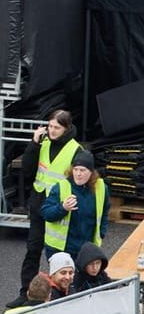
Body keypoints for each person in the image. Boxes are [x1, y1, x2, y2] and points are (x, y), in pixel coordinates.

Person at [15, 109, 77, 292]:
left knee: (58, 256)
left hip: (58, 209)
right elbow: (27, 169)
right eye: (50, 126)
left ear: (66, 128)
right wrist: (34, 143)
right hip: (38, 205)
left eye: (56, 127)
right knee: (32, 250)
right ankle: (26, 292)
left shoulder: (75, 150)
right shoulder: (42, 143)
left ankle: (59, 292)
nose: (52, 130)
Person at [40, 149, 107, 262]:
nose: (78, 174)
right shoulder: (61, 187)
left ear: (91, 172)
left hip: (86, 250)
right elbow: (46, 213)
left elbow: (104, 213)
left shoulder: (101, 188)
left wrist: (101, 233)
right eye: (75, 169)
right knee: (65, 279)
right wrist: (62, 208)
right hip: (60, 249)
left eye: (82, 170)